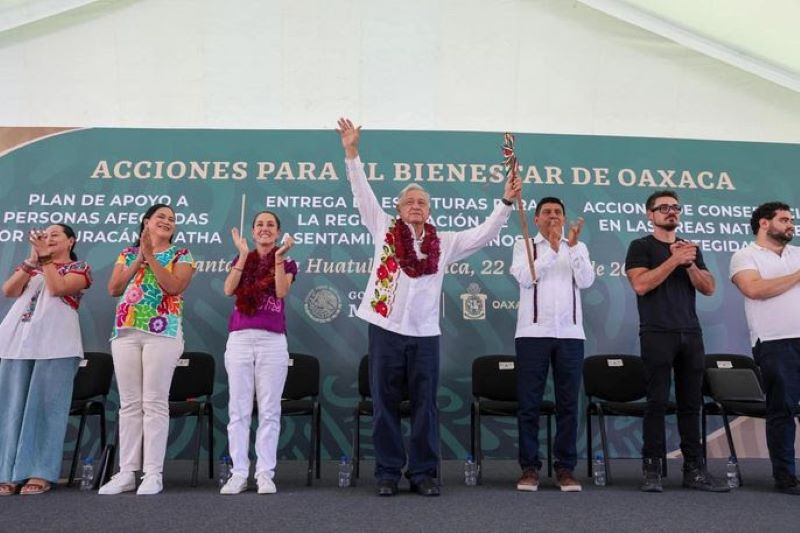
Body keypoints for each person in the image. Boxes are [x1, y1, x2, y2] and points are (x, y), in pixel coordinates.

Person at [336, 117, 521, 496]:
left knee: (425, 406)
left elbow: (483, 235)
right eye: (410, 201)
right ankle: (387, 473)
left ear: (429, 210)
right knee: (384, 403)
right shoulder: (383, 228)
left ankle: (422, 473)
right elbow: (361, 193)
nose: (416, 206)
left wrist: (504, 203)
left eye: (422, 202)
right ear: (399, 207)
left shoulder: (445, 241)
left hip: (425, 335)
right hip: (385, 329)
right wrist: (351, 152)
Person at [625, 190, 728, 492]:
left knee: (691, 403)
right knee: (656, 401)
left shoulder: (690, 249)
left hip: (691, 333)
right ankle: (652, 468)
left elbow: (708, 288)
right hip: (657, 332)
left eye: (675, 208)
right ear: (650, 214)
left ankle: (694, 470)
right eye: (664, 208)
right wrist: (674, 260)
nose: (671, 212)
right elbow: (641, 285)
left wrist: (690, 263)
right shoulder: (640, 246)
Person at [99, 203, 195, 496]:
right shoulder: (128, 253)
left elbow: (173, 287)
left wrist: (151, 257)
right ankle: (126, 472)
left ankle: (153, 473)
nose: (167, 221)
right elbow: (114, 288)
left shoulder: (181, 254)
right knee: (129, 404)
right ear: (146, 222)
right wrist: (138, 258)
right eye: (161, 217)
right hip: (125, 332)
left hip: (162, 333)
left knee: (154, 402)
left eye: (172, 219)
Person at [0, 224, 92, 496]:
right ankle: (8, 472)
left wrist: (48, 261)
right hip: (17, 344)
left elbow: (57, 288)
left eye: (56, 236)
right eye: (46, 235)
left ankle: (40, 471)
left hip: (56, 346)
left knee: (46, 410)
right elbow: (9, 290)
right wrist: (32, 261)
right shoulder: (32, 268)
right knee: (10, 408)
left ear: (70, 242)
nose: (49, 239)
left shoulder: (80, 269)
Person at [511, 197, 594, 492]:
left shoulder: (577, 247)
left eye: (558, 212)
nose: (553, 216)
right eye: (547, 213)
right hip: (533, 334)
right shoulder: (525, 246)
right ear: (536, 220)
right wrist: (553, 249)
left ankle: (565, 469)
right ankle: (530, 468)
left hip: (570, 335)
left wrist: (570, 248)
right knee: (529, 405)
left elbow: (585, 281)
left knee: (569, 405)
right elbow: (525, 277)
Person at [219, 212, 297, 495]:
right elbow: (229, 289)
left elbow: (280, 291)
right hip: (239, 339)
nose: (265, 229)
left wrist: (278, 258)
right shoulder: (242, 258)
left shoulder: (287, 261)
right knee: (238, 410)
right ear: (252, 232)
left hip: (272, 341)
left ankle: (265, 472)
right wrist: (241, 255)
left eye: (270, 225)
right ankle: (239, 473)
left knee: (269, 410)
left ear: (277, 233)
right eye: (260, 224)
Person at [730, 201, 800, 495]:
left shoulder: (798, 254)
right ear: (764, 223)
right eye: (784, 219)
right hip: (774, 342)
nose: (790, 225)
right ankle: (785, 476)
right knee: (782, 409)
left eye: (791, 220)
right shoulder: (745, 255)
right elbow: (754, 289)